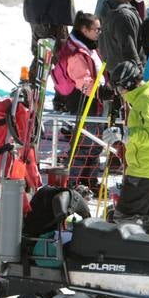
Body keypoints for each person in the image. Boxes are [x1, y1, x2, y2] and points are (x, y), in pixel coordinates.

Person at [106, 61, 149, 234]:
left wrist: (125, 134)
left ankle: (121, 255)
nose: (120, 93)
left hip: (145, 169)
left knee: (125, 217)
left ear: (128, 84)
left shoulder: (147, 99)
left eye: (120, 89)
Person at [52, 12, 104, 191]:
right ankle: (73, 181)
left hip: (95, 102)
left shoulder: (87, 46)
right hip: (84, 102)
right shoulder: (75, 52)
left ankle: (89, 179)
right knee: (84, 144)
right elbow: (83, 81)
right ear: (84, 30)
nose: (99, 32)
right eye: (96, 29)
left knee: (95, 144)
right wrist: (102, 91)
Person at [97, 0, 144, 74]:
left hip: (112, 68)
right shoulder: (123, 16)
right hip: (127, 73)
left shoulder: (105, 2)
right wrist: (139, 72)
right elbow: (128, 48)